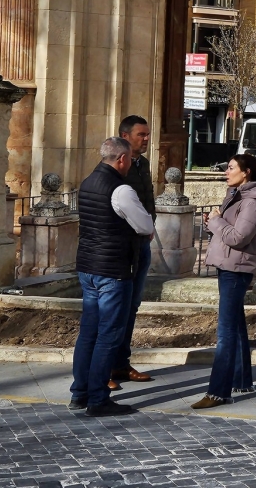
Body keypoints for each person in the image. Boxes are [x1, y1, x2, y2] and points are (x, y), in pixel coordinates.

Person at [69, 137, 155, 417]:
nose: (131, 163)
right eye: (129, 158)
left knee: (88, 334)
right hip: (113, 270)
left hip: (88, 267)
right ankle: (97, 399)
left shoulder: (87, 182)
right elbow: (145, 225)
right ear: (121, 159)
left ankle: (79, 393)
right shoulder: (121, 190)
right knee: (108, 335)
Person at [192, 154, 256, 409]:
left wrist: (217, 221)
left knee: (226, 332)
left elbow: (238, 237)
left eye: (231, 168)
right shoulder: (236, 194)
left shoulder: (253, 203)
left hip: (237, 267)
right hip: (229, 264)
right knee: (236, 324)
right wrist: (213, 223)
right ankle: (242, 380)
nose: (226, 172)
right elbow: (226, 231)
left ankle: (219, 392)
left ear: (247, 172)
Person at [111, 115, 156, 391]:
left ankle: (121, 363)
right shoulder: (115, 167)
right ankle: (104, 368)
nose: (147, 139)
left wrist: (151, 223)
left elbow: (148, 197)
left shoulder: (143, 164)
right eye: (142, 134)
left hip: (143, 244)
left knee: (132, 307)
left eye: (148, 134)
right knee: (114, 310)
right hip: (123, 247)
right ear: (126, 137)